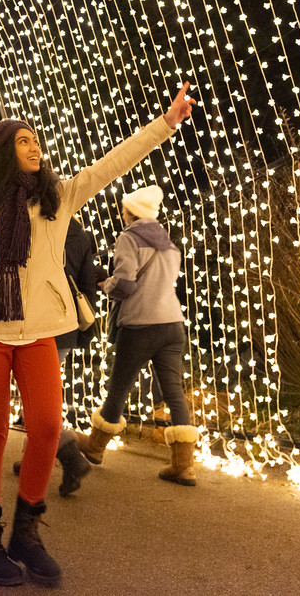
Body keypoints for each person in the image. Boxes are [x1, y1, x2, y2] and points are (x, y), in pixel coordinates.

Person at [0, 83, 196, 587]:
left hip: (40, 326)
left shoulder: (58, 196)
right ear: (0, 152)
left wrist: (164, 125)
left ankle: (26, 533)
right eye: (23, 141)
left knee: (45, 425)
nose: (35, 148)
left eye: (37, 141)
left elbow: (111, 164)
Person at [79, 184, 200, 486]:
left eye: (124, 209)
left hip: (140, 324)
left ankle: (94, 448)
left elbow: (126, 285)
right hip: (172, 324)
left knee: (119, 386)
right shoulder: (170, 245)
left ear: (132, 212)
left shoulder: (129, 238)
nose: (121, 213)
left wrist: (105, 284)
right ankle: (183, 466)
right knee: (173, 391)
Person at [12, 218, 102, 497]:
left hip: (34, 322)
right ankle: (33, 458)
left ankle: (71, 455)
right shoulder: (81, 235)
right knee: (38, 393)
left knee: (34, 397)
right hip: (64, 326)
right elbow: (88, 286)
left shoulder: (31, 228)